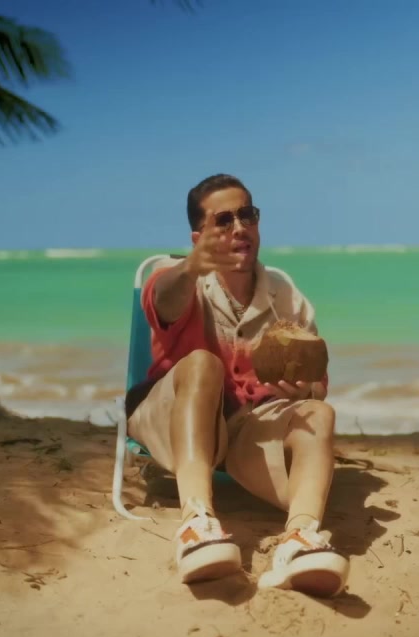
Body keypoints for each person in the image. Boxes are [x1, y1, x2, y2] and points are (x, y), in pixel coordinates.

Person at [124, 173, 349, 598]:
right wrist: (191, 266)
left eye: (247, 215)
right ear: (198, 237)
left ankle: (299, 539)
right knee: (203, 364)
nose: (239, 227)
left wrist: (304, 390)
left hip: (247, 429)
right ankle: (196, 522)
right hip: (174, 414)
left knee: (320, 413)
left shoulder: (284, 294)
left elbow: (318, 379)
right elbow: (163, 301)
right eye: (223, 220)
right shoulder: (177, 277)